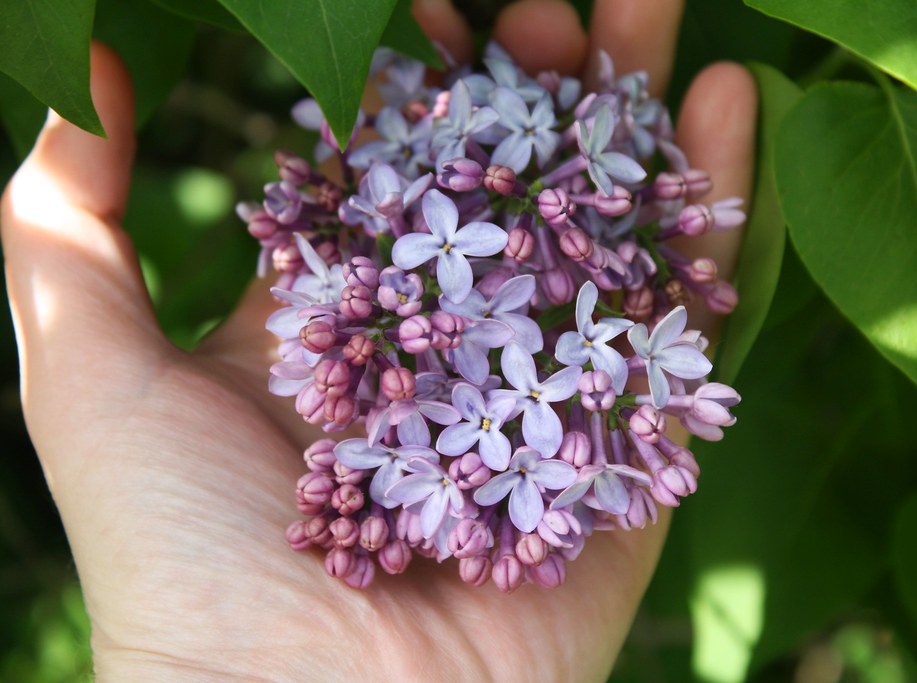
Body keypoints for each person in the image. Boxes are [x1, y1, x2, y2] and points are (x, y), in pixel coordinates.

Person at [1, 0, 756, 678]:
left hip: (495, 279)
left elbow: (522, 314)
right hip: (481, 313)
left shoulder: (482, 329)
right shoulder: (442, 374)